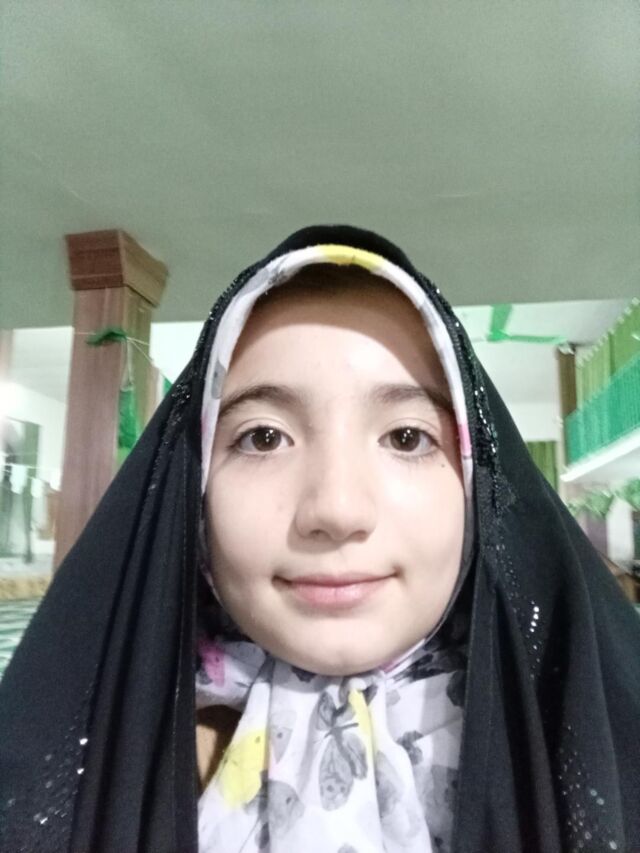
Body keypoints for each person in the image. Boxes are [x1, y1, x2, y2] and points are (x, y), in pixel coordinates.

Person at [0, 225, 639, 852]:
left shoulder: (591, 746)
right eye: (263, 437)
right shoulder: (82, 766)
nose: (336, 509)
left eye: (407, 437)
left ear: (477, 485)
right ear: (192, 491)